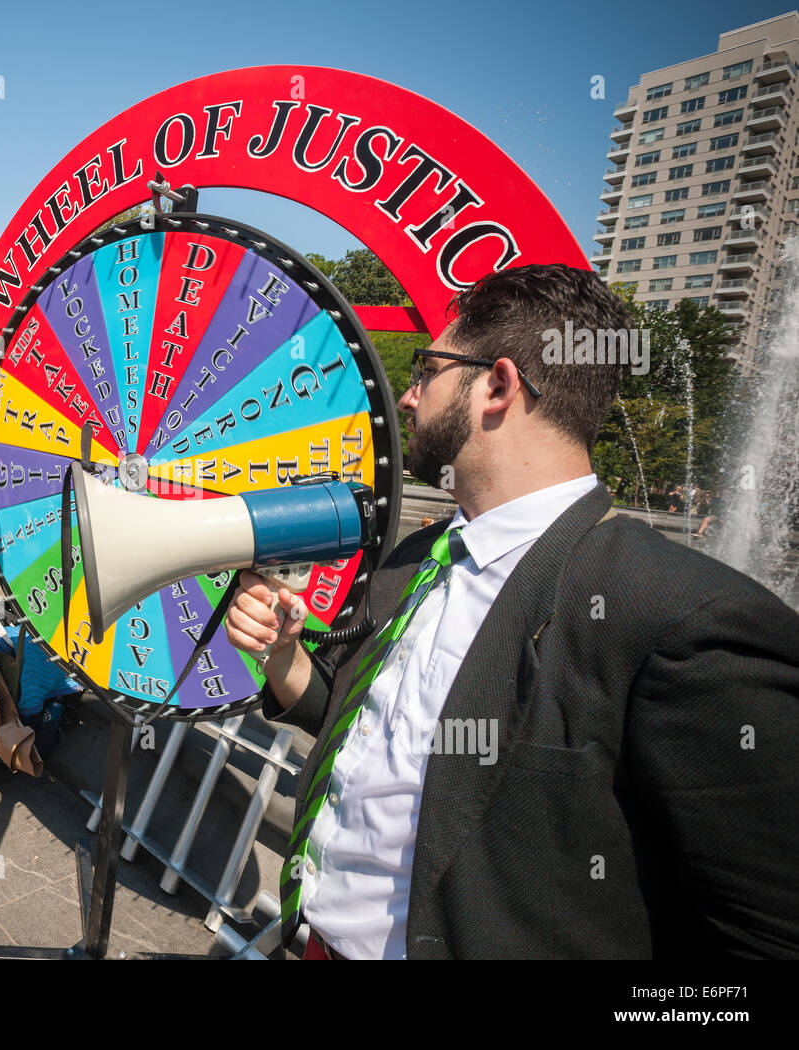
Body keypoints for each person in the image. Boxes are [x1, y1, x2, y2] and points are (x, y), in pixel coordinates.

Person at [226, 263, 799, 960]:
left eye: (427, 370)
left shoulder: (681, 616)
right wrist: (282, 657)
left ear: (496, 385)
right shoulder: (419, 556)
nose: (406, 397)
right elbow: (354, 728)